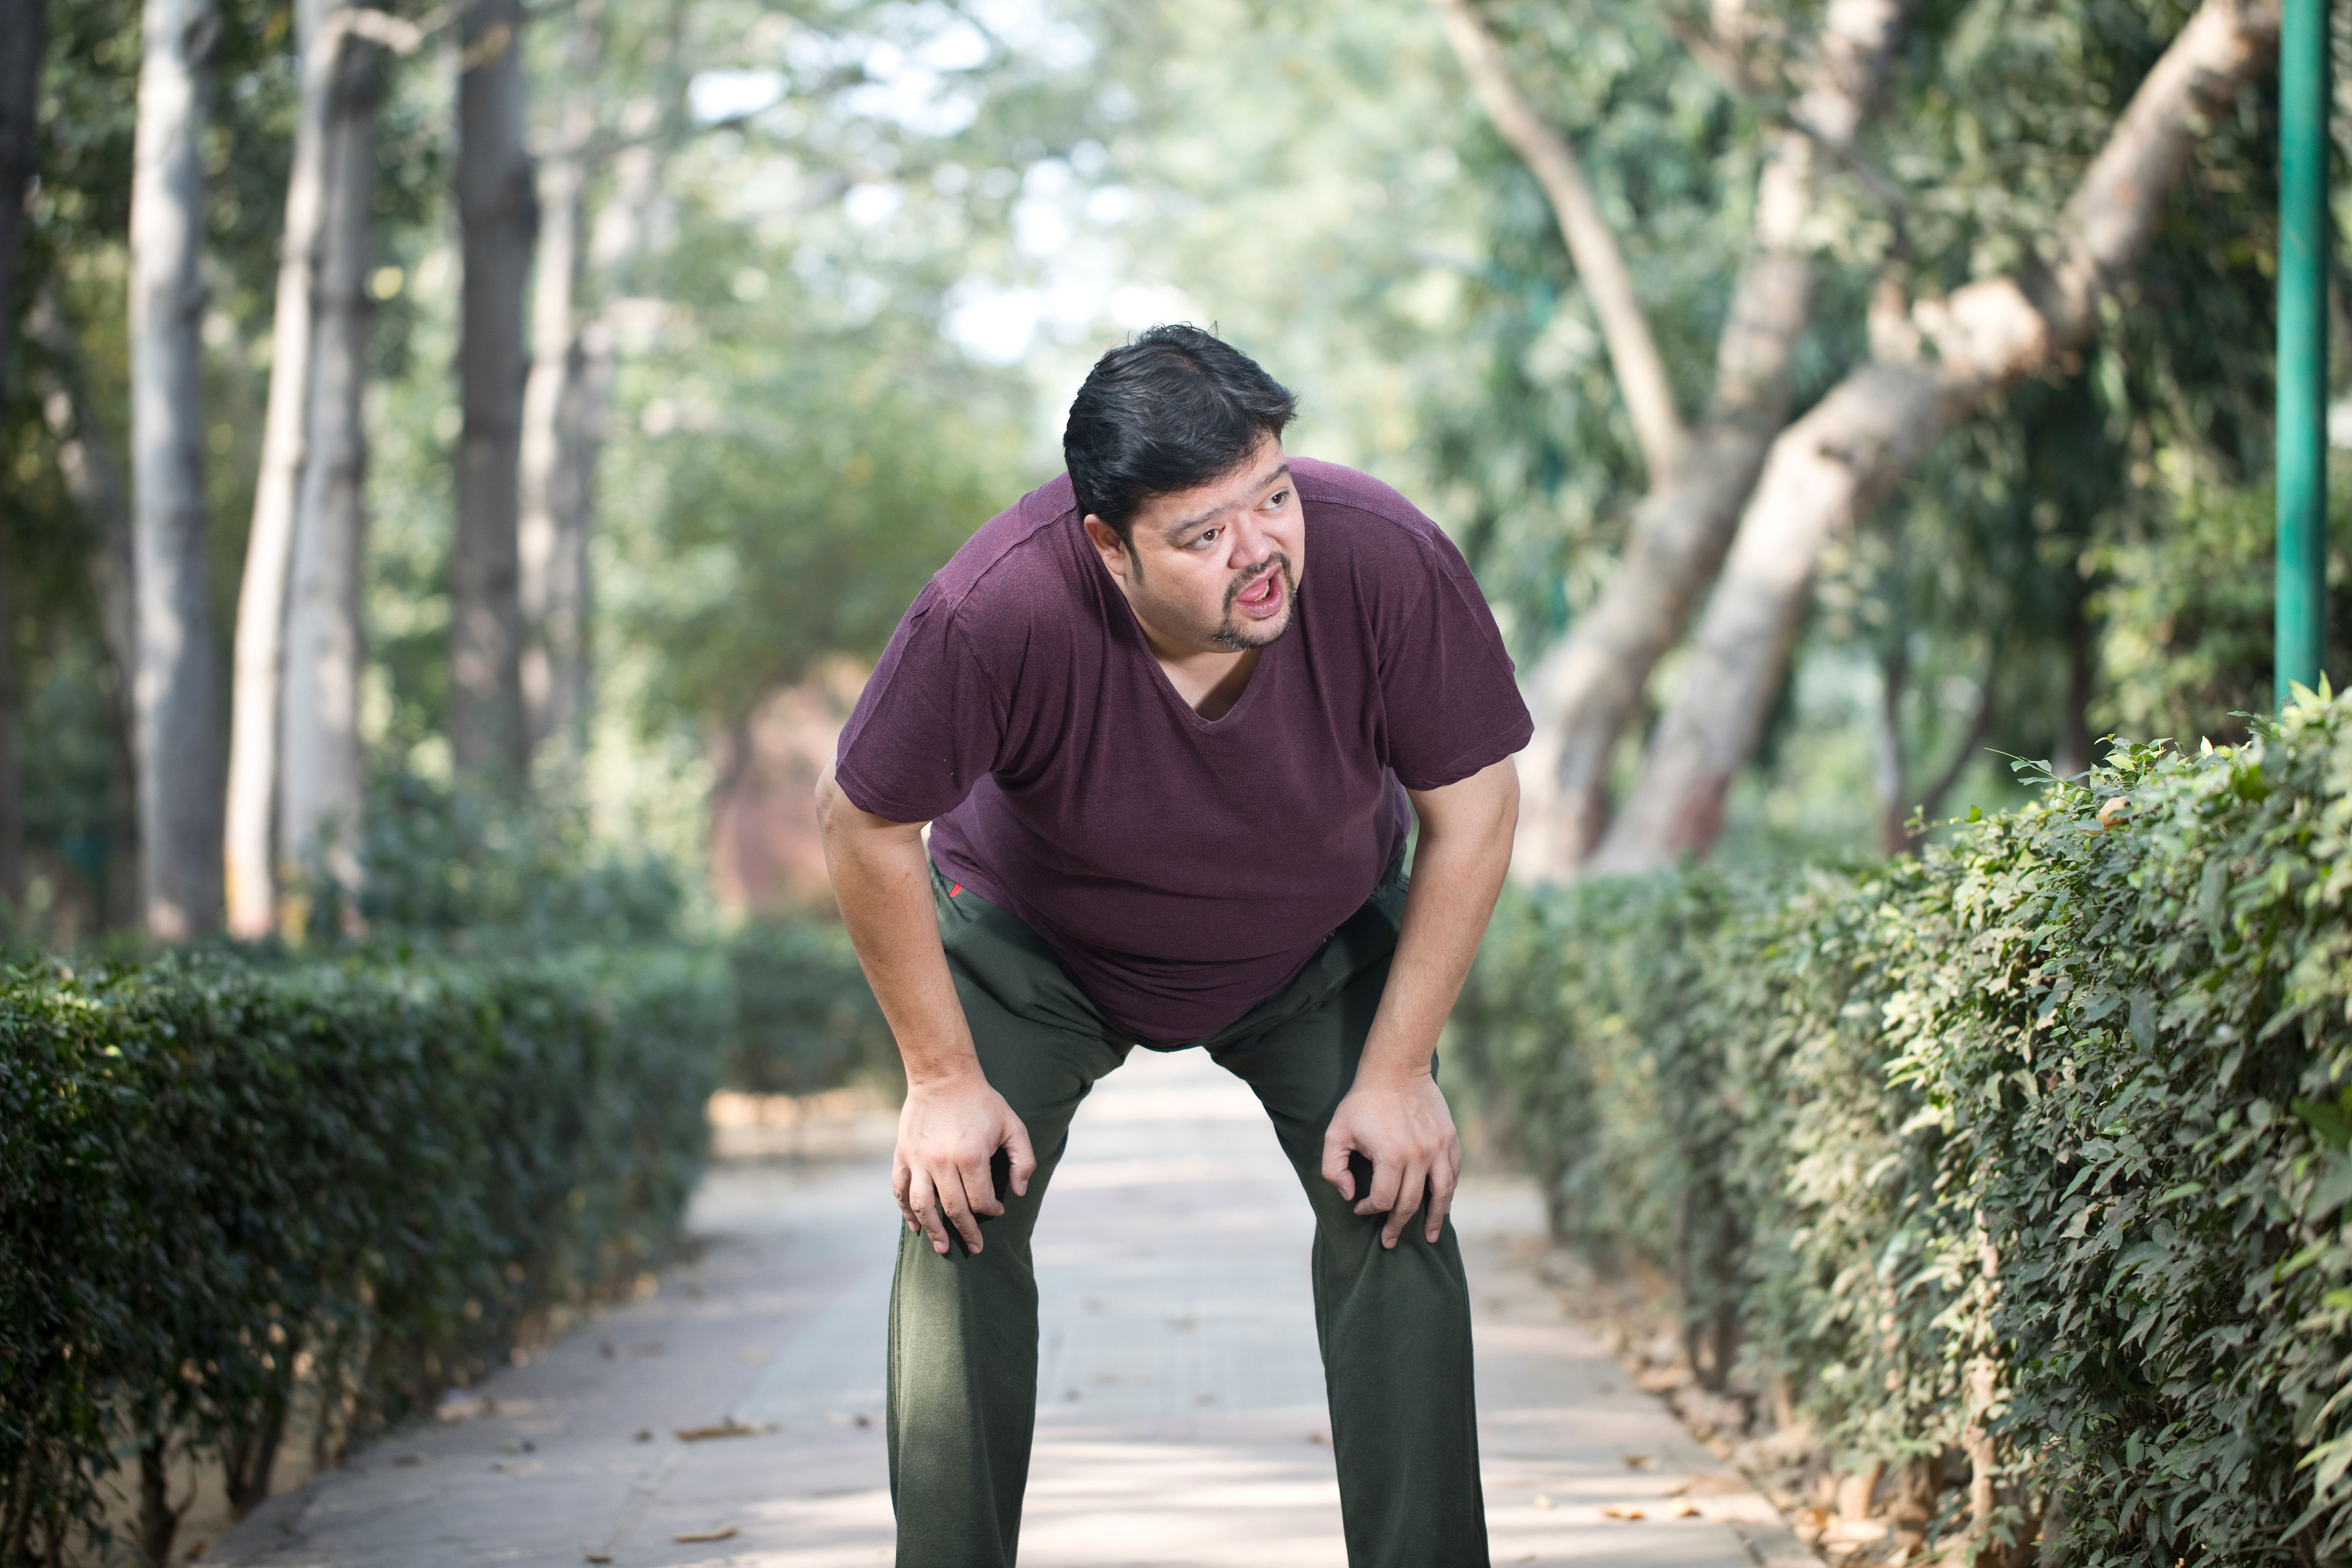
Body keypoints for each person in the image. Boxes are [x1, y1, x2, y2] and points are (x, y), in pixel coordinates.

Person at [815, 324, 1531, 1568]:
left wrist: (1401, 1072)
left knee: (1397, 1194)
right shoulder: (999, 608)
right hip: (1043, 942)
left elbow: (1473, 808)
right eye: (1204, 535)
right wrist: (940, 1084)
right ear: (1110, 546)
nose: (1261, 552)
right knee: (955, 1205)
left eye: (1275, 496)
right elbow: (861, 820)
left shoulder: (1383, 558)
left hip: (1313, 941)